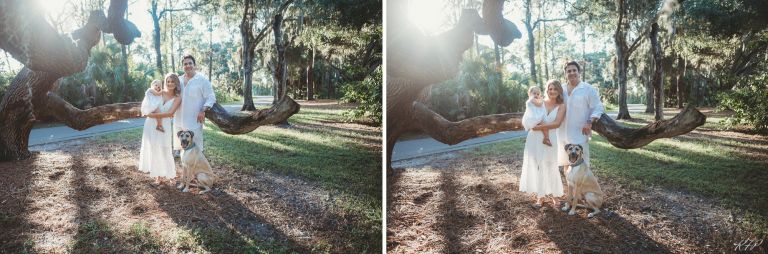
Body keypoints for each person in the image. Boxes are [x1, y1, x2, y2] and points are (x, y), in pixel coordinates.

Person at [519, 80, 567, 207]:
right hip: (535, 137)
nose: (552, 91)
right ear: (547, 90)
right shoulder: (540, 102)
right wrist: (533, 125)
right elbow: (530, 116)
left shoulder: (561, 105)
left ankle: (555, 195)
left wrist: (539, 126)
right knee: (539, 165)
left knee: (551, 165)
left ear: (559, 91)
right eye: (550, 89)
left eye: (555, 89)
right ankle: (540, 196)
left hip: (551, 137)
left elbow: (557, 123)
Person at [556, 61, 605, 169]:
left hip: (579, 134)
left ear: (579, 72)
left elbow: (598, 107)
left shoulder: (588, 89)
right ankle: (570, 186)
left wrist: (589, 122)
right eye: (569, 71)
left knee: (582, 167)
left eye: (574, 70)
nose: (572, 73)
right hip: (562, 133)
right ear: (565, 74)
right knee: (566, 164)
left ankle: (583, 186)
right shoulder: (561, 89)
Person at [139, 73, 183, 186]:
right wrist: (147, 111)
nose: (170, 83)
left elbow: (170, 113)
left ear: (176, 83)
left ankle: (171, 175)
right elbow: (148, 101)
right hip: (151, 124)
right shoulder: (160, 92)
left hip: (164, 124)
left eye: (172, 81)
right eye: (168, 81)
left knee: (165, 148)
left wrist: (151, 115)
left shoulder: (177, 98)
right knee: (154, 148)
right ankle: (158, 176)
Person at [173, 54, 216, 157]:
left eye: (190, 63)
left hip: (194, 120)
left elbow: (211, 97)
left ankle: (198, 171)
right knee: (180, 150)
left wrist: (203, 110)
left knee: (196, 151)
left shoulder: (202, 80)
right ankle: (185, 170)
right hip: (178, 119)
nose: (188, 66)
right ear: (183, 66)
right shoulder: (178, 80)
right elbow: (172, 95)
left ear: (194, 65)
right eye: (185, 64)